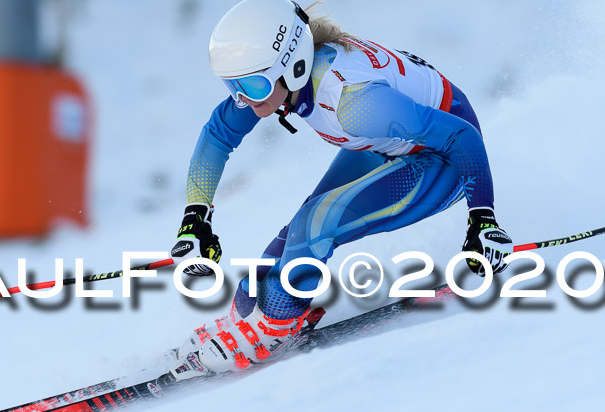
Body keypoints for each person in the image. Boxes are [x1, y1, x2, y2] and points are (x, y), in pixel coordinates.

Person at [168, 0, 513, 375]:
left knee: (318, 222)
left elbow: (461, 135)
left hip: (445, 158)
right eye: (232, 85)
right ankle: (248, 316)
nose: (243, 99)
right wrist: (196, 217)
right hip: (386, 142)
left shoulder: (354, 103)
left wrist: (483, 219)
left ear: (294, 65)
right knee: (295, 232)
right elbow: (218, 136)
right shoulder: (274, 81)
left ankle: (275, 325)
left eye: (250, 85)